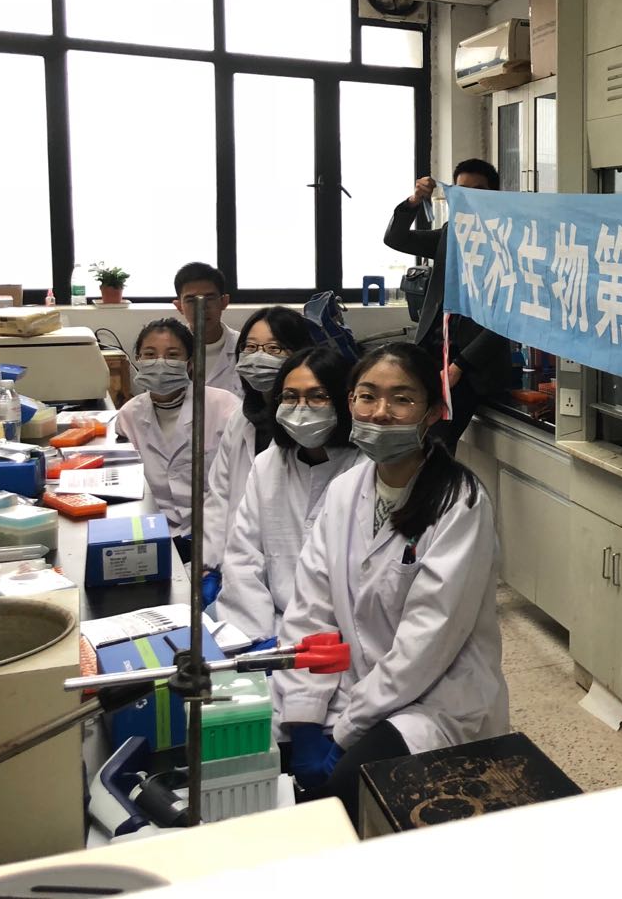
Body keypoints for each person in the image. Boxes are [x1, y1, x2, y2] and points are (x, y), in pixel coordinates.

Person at [277, 342, 508, 819]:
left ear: (434, 411)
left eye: (402, 399)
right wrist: (304, 714)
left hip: (434, 698)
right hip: (356, 683)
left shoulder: (460, 502)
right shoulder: (344, 492)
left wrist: (346, 730)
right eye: (367, 396)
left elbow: (427, 642)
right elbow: (311, 609)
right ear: (350, 402)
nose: (380, 413)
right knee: (272, 772)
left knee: (345, 793)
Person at [216, 345, 362, 644]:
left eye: (317, 396)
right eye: (291, 397)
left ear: (344, 400)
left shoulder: (365, 470)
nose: (301, 408)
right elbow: (244, 555)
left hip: (342, 635)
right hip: (269, 622)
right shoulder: (268, 464)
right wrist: (256, 638)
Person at [383, 160, 514, 451]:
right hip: (432, 355)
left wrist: (460, 365)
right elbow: (395, 238)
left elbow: (508, 318)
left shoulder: (509, 242)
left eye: (479, 190)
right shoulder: (450, 234)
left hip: (472, 367)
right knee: (403, 433)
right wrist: (415, 200)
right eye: (462, 190)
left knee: (434, 444)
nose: (469, 197)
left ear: (495, 195)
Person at [201, 307, 315, 601]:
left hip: (293, 575)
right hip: (236, 565)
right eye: (250, 348)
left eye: (274, 349)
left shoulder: (308, 425)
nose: (258, 357)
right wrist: (210, 564)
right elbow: (219, 494)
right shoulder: (241, 419)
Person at [116, 319, 238, 544]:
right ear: (138, 360)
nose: (160, 362)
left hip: (215, 531)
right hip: (156, 530)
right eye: (150, 354)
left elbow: (239, 484)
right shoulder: (129, 415)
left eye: (172, 355)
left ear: (189, 363)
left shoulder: (224, 407)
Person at [174, 262, 240, 396]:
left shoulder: (244, 347)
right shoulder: (168, 350)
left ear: (224, 302)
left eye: (209, 298)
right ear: (179, 306)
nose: (202, 306)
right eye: (191, 300)